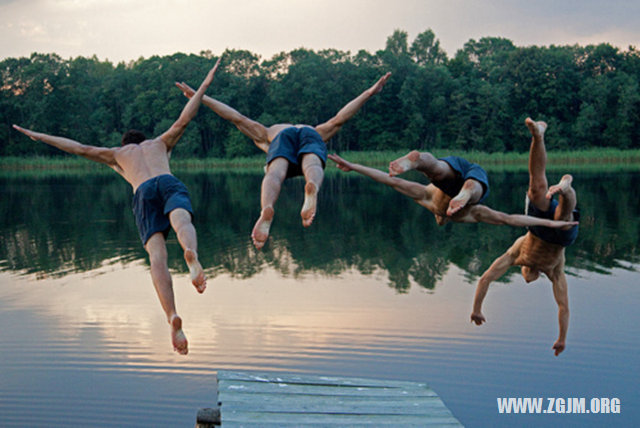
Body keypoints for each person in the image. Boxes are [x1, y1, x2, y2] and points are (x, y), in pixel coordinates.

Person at [13, 58, 221, 355]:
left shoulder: (117, 154)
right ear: (144, 140)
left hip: (144, 192)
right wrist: (205, 84)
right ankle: (192, 253)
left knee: (157, 257)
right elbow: (185, 118)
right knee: (182, 221)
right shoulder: (160, 144)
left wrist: (38, 135)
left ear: (124, 145)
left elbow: (78, 147)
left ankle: (171, 315)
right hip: (167, 181)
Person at [175, 72, 391, 249]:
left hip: (280, 140)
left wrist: (200, 96)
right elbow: (340, 118)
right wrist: (369, 93)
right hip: (311, 134)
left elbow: (235, 116)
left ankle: (267, 208)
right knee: (313, 164)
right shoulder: (314, 130)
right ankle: (313, 185)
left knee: (274, 174)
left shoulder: (268, 134)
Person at [470, 118, 579, 356]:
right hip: (560, 239)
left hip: (537, 228)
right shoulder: (554, 270)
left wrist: (477, 308)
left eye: (525, 276)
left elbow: (485, 279)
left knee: (537, 188)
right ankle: (566, 188)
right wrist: (562, 338)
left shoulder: (516, 252)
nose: (528, 278)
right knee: (564, 217)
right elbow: (563, 307)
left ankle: (538, 136)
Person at [328, 153, 578, 229]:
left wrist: (355, 166)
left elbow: (509, 219)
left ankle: (459, 191)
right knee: (435, 169)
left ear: (440, 217)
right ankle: (420, 162)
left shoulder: (428, 199)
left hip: (462, 183)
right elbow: (389, 180)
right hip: (461, 175)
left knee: (441, 177)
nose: (441, 218)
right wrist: (353, 166)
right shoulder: (431, 201)